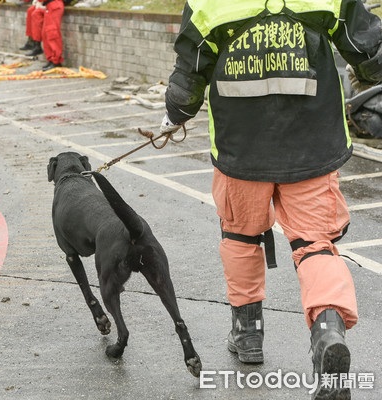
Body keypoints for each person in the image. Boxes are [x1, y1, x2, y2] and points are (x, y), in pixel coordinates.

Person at [160, 0, 382, 398]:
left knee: (241, 238)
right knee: (315, 244)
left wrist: (175, 114)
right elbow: (366, 45)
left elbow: (191, 67)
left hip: (240, 150)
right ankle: (328, 332)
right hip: (312, 148)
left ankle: (248, 335)